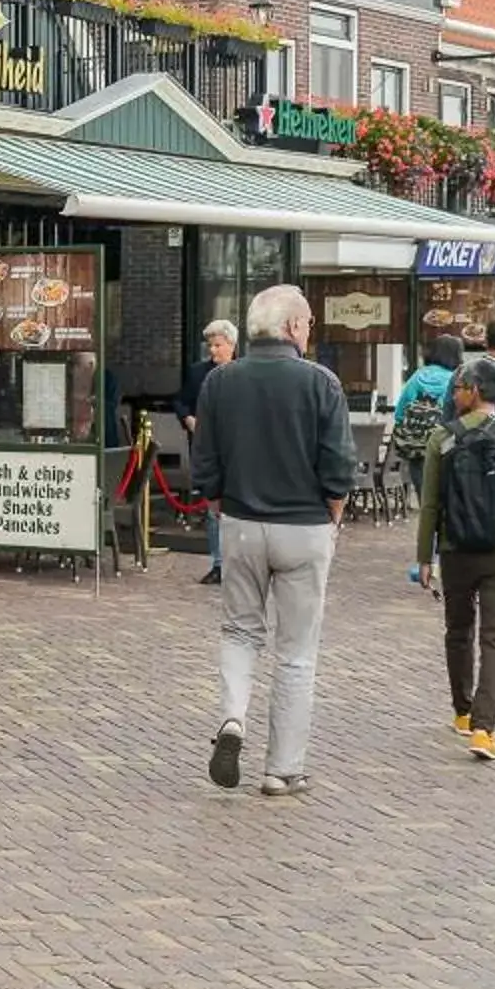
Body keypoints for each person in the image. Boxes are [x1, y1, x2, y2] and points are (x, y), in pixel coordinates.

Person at [189, 284, 356, 799]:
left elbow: (205, 463)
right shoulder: (321, 383)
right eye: (306, 323)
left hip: (240, 523)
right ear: (290, 328)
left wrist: (220, 502)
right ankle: (282, 769)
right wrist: (332, 511)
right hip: (304, 527)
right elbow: (339, 464)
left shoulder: (220, 381)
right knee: (296, 651)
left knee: (240, 631)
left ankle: (233, 718)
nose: (309, 331)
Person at [412, 355, 495, 762]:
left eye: (458, 388)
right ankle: (485, 730)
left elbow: (430, 504)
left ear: (475, 391)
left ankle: (463, 712)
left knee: (458, 630)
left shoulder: (443, 438)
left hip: (456, 550)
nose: (453, 394)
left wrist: (425, 557)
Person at [178, 319, 238, 586]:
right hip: (206, 450)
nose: (213, 351)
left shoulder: (244, 373)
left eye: (218, 345)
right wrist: (188, 419)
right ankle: (218, 563)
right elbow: (180, 401)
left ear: (232, 345)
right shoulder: (197, 373)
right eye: (210, 345)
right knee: (213, 506)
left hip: (237, 450)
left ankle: (241, 563)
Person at [387, 333, 463, 481]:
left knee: (424, 497)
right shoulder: (456, 380)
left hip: (417, 449)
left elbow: (399, 413)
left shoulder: (417, 377)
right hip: (445, 448)